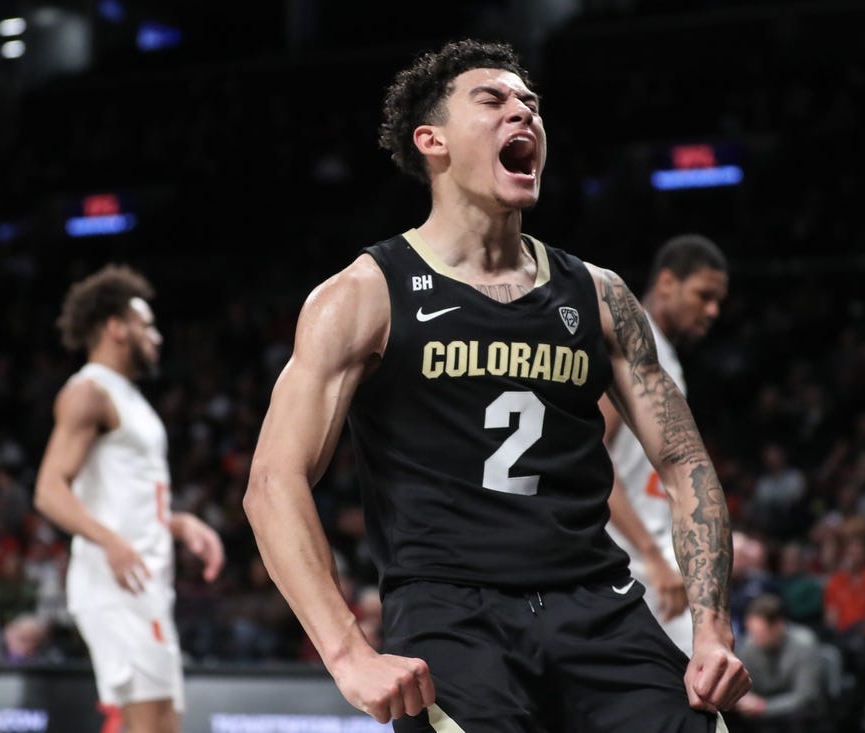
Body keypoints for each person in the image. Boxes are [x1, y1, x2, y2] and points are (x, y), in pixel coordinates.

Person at [244, 39, 749, 732]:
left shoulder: (600, 294)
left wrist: (712, 628)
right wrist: (347, 652)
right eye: (495, 100)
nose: (525, 113)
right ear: (433, 140)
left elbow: (686, 461)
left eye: (531, 104)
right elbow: (273, 481)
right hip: (452, 615)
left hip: (597, 602)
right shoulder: (364, 295)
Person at [34, 265, 224, 733]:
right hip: (116, 587)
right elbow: (49, 490)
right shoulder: (88, 391)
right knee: (153, 726)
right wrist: (112, 542)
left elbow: (129, 493)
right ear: (116, 327)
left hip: (146, 584)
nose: (156, 336)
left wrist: (178, 525)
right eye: (146, 324)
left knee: (161, 723)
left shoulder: (129, 398)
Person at [599, 233, 728, 657]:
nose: (713, 311)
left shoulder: (661, 355)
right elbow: (593, 456)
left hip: (652, 564)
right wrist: (652, 555)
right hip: (628, 564)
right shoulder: (628, 345)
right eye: (704, 295)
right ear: (668, 283)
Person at [729, 594, 822, 733]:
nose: (755, 639)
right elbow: (745, 688)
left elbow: (805, 696)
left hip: (794, 715)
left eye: (760, 633)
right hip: (759, 715)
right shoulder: (748, 646)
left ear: (778, 625)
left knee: (800, 717)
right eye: (752, 632)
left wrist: (764, 707)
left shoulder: (804, 644)